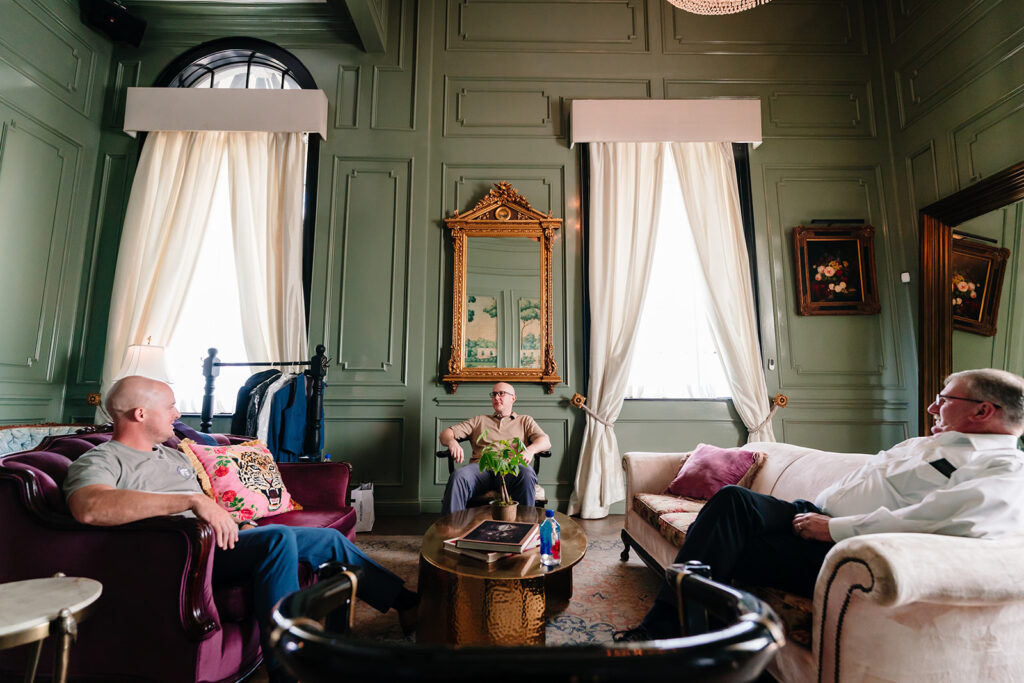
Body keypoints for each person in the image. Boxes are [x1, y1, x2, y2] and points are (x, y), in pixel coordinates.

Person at [615, 368, 1024, 641]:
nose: (933, 406)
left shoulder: (1001, 469)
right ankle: (692, 623)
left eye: (944, 398)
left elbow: (945, 522)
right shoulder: (927, 443)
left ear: (983, 410)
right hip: (810, 513)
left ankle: (663, 631)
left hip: (841, 546)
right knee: (732, 500)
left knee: (718, 543)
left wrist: (835, 529)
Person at [63, 376, 418, 683]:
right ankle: (289, 668)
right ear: (140, 414)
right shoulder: (103, 458)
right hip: (183, 554)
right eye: (170, 406)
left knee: (327, 540)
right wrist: (191, 501)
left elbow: (210, 503)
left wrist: (237, 520)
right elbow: (89, 506)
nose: (177, 413)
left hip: (221, 542)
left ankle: (408, 604)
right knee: (278, 538)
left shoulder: (171, 454)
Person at [439, 382, 552, 514]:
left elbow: (545, 441)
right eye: (494, 394)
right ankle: (451, 526)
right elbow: (445, 434)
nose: (496, 397)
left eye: (501, 394)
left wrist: (530, 450)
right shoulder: (479, 420)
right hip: (481, 469)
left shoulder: (525, 421)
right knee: (459, 476)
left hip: (511, 469)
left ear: (513, 398)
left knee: (526, 473)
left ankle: (525, 523)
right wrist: (452, 442)